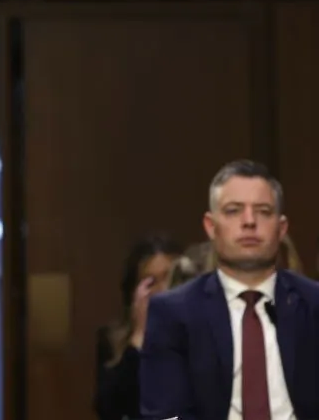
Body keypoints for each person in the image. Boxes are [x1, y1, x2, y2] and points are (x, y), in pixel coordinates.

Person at [139, 160, 319, 420]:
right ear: (211, 226)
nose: (249, 222)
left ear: (281, 229)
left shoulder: (313, 305)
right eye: (234, 211)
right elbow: (165, 413)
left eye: (263, 211)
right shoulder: (173, 314)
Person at [94, 234, 182, 420]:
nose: (161, 291)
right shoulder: (112, 339)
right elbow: (108, 409)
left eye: (168, 278)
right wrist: (140, 336)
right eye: (151, 282)